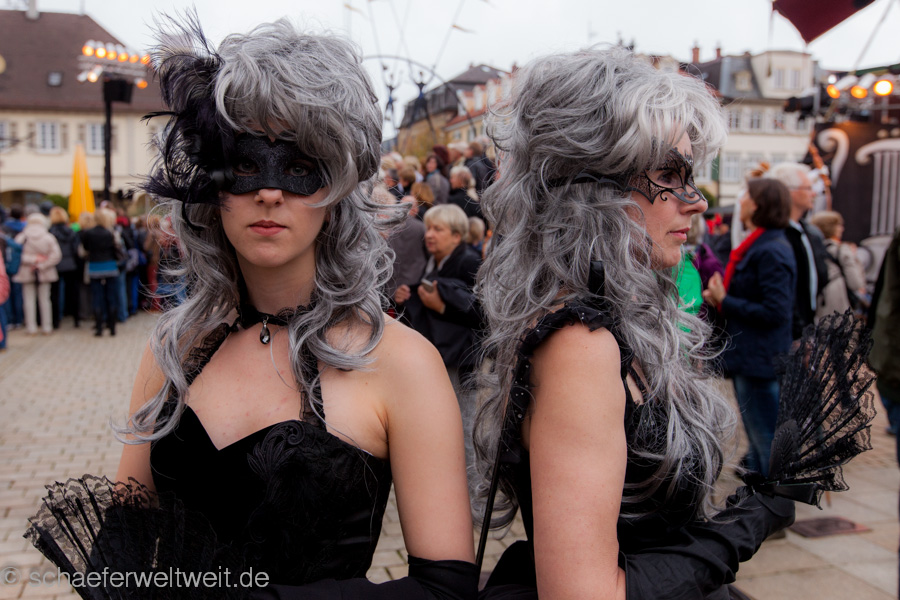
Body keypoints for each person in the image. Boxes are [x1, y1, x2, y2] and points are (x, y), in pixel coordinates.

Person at [25, 17, 478, 599]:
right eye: (244, 163)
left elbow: (445, 590)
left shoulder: (402, 363)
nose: (269, 191)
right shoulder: (177, 348)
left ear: (337, 185)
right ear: (210, 185)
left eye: (298, 165)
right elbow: (124, 543)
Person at [473, 47, 798, 600]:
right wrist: (750, 521)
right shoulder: (580, 346)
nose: (695, 201)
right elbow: (584, 592)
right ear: (592, 191)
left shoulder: (614, 321)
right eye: (669, 175)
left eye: (689, 174)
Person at [703, 178, 796, 476]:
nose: (740, 202)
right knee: (759, 442)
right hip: (754, 358)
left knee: (766, 440)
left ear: (757, 205)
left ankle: (773, 498)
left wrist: (725, 300)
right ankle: (761, 493)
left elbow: (776, 311)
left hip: (759, 361)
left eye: (746, 197)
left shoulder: (770, 250)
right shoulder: (762, 244)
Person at [394, 204, 482, 485]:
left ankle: (471, 498)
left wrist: (441, 307)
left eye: (438, 229)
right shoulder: (433, 261)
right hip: (445, 356)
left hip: (461, 361)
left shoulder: (468, 261)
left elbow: (484, 314)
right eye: (429, 228)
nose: (429, 234)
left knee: (463, 429)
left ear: (457, 235)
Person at [768, 162, 829, 340]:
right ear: (790, 192)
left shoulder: (808, 232)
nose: (814, 193)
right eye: (809, 188)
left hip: (807, 326)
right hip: (787, 335)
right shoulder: (775, 236)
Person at [809, 210, 867, 320]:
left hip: (817, 299)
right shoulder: (842, 250)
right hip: (837, 300)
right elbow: (855, 283)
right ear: (833, 228)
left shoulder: (811, 248)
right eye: (839, 225)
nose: (842, 229)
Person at [13, 213, 62, 335]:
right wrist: (41, 263)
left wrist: (32, 260)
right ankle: (47, 327)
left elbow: (16, 256)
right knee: (45, 299)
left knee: (28, 300)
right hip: (45, 271)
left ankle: (31, 327)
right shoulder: (48, 237)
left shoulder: (21, 237)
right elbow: (56, 255)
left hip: (27, 271)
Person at [79, 208, 120, 336]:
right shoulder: (110, 232)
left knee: (97, 297)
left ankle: (99, 328)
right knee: (111, 297)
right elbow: (116, 247)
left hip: (95, 266)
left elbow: (85, 248)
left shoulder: (88, 233)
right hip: (110, 266)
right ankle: (112, 327)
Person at [48, 206, 81, 328]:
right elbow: (76, 249)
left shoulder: (50, 232)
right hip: (70, 264)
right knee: (73, 292)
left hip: (56, 264)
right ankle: (76, 318)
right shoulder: (71, 231)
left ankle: (56, 321)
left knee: (55, 294)